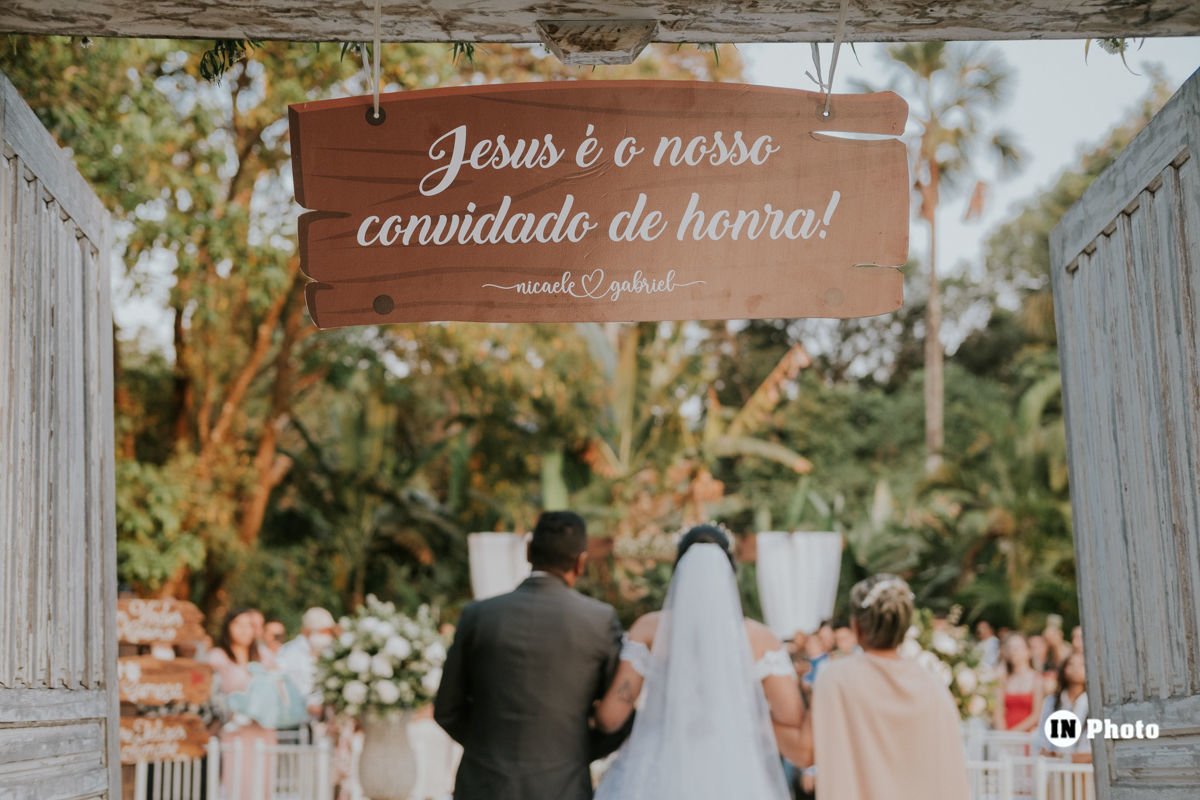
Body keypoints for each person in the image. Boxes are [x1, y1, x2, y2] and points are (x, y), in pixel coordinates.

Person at [592, 525, 809, 800]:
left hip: (658, 761)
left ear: (678, 571)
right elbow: (790, 717)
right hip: (735, 768)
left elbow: (611, 717)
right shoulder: (760, 639)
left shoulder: (649, 630)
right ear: (730, 574)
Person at [434, 510, 628, 800]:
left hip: (484, 783)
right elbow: (619, 715)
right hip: (562, 786)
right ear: (581, 562)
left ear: (528, 551)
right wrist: (573, 754)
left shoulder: (478, 615)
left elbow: (447, 709)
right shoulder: (599, 621)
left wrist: (485, 750)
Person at [812, 574, 968, 800]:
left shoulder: (837, 678)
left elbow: (807, 749)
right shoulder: (933, 685)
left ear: (857, 627)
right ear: (905, 628)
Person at [207, 607, 279, 800]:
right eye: (238, 624)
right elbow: (211, 694)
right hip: (234, 730)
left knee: (261, 780)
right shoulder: (218, 656)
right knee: (236, 779)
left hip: (262, 729)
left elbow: (278, 687)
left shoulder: (264, 656)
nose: (244, 630)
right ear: (228, 627)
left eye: (248, 625)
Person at [276, 607, 337, 717]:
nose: (326, 635)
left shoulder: (332, 651)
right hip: (297, 719)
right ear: (306, 631)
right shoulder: (288, 652)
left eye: (328, 631)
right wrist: (306, 704)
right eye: (321, 631)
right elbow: (280, 685)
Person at [1034, 651, 1091, 762]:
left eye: (1082, 665)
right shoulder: (1052, 701)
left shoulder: (1092, 704)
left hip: (1083, 769)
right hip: (1054, 765)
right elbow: (1042, 736)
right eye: (1071, 664)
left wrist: (1071, 758)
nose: (1076, 668)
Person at [995, 633, 1045, 732]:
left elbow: (1036, 715)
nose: (1013, 652)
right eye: (1010, 648)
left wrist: (1013, 734)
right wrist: (1003, 734)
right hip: (1003, 735)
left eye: (1017, 648)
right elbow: (997, 711)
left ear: (1028, 651)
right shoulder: (1003, 680)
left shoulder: (1037, 679)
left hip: (1027, 736)